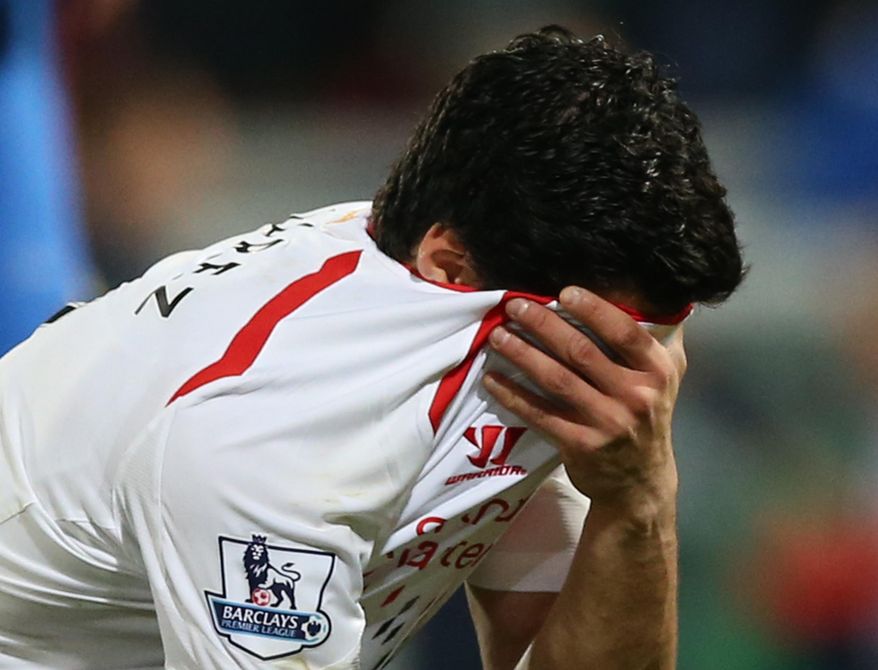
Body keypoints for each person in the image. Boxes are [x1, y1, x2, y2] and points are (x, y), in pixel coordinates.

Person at [0, 26, 743, 670]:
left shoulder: (497, 330)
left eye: (659, 332)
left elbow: (552, 641)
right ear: (446, 266)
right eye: (608, 335)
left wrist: (637, 499)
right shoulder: (270, 440)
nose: (642, 377)